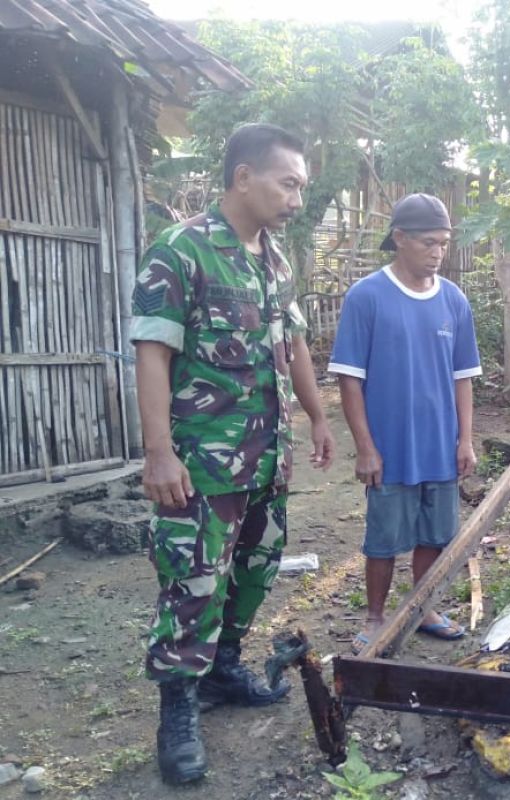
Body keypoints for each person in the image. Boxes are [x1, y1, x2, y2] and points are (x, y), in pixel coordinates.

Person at [130, 123, 334, 785]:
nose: (297, 198)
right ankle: (179, 705)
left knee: (254, 569)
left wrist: (318, 414)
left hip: (267, 455)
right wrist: (159, 452)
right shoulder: (181, 249)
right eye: (288, 182)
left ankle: (223, 670)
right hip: (201, 460)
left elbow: (295, 343)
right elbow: (152, 352)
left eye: (302, 185)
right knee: (193, 581)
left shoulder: (275, 259)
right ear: (243, 177)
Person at [328, 193, 481, 654]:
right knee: (383, 538)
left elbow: (463, 379)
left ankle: (423, 607)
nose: (437, 253)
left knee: (436, 533)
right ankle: (375, 617)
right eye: (428, 243)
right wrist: (365, 447)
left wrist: (466, 440)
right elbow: (349, 380)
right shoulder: (367, 297)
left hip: (439, 445)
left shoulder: (453, 301)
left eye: (444, 244)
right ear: (399, 238)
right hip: (390, 447)